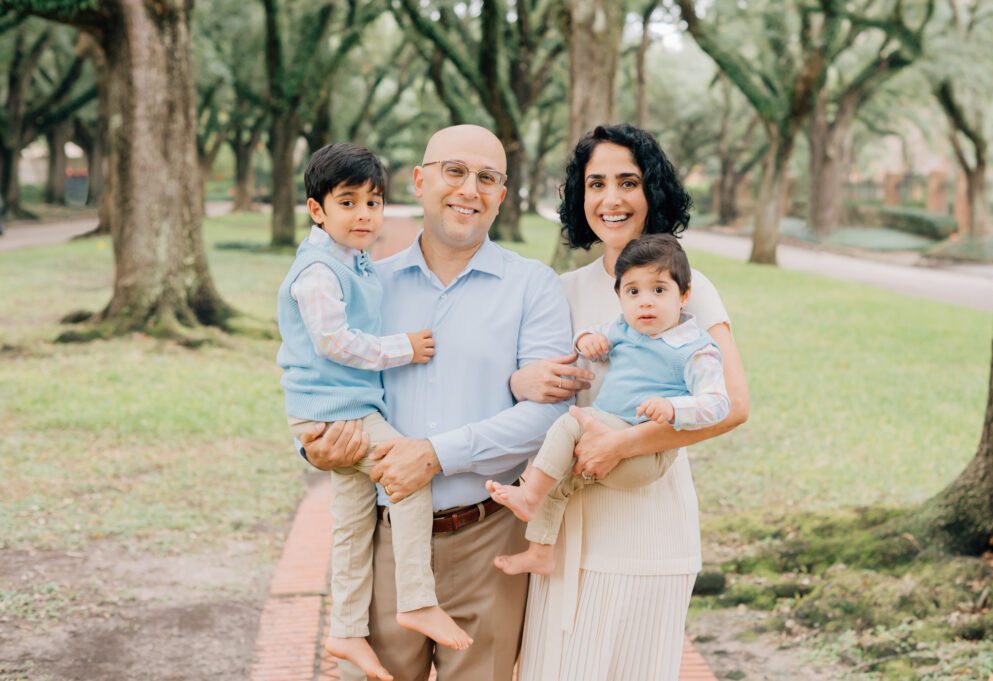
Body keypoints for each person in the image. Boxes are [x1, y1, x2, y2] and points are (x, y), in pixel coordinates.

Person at [299, 125, 574, 681]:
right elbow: (319, 379)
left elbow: (547, 416)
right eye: (454, 171)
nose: (469, 189)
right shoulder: (365, 284)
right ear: (420, 181)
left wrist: (436, 454)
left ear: (502, 194)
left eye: (486, 178)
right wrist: (314, 450)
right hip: (383, 540)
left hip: (488, 540)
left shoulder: (534, 287)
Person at [511, 124, 750, 681]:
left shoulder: (684, 287)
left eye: (628, 182)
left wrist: (623, 443)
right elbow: (532, 386)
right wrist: (526, 382)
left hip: (649, 525)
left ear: (653, 193)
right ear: (579, 197)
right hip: (565, 526)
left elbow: (733, 403)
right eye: (596, 184)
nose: (611, 199)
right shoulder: (563, 290)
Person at [277, 142, 471, 681]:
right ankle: (415, 597)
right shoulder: (317, 272)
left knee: (352, 524)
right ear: (318, 210)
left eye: (374, 202)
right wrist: (404, 347)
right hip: (339, 413)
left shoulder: (350, 260)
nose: (364, 215)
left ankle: (344, 631)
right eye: (348, 202)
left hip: (339, 410)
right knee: (409, 474)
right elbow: (333, 342)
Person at [487, 234, 730, 577]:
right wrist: (588, 341)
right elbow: (586, 336)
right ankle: (540, 550)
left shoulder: (694, 348)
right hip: (607, 430)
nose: (645, 303)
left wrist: (676, 408)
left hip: (646, 451)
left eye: (659, 290)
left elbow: (719, 404)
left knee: (571, 423)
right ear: (619, 297)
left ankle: (529, 494)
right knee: (561, 475)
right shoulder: (624, 328)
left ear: (684, 295)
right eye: (633, 292)